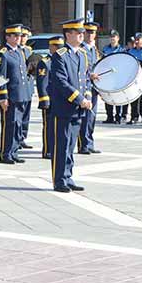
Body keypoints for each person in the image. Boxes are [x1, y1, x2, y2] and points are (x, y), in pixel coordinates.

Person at [48, 19, 95, 193]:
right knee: (61, 144)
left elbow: (86, 79)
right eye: (77, 32)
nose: (82, 34)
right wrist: (79, 99)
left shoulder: (82, 54)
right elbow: (61, 82)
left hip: (79, 108)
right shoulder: (60, 55)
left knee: (71, 145)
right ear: (68, 35)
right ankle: (59, 180)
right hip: (64, 107)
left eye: (82, 32)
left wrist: (87, 97)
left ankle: (68, 176)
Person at [0, 24, 28, 164]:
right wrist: (2, 97)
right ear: (7, 37)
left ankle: (14, 151)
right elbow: (0, 77)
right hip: (11, 96)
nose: (18, 38)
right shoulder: (3, 54)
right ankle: (5, 153)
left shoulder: (20, 52)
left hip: (21, 95)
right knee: (10, 125)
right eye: (15, 36)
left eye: (19, 36)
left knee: (18, 125)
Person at [77, 22, 101, 154]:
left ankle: (89, 143)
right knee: (85, 117)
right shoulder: (81, 49)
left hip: (94, 87)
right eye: (88, 32)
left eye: (93, 33)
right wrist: (89, 75)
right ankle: (83, 145)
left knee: (92, 117)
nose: (90, 35)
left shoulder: (94, 49)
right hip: (85, 86)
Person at [38, 36, 62, 159]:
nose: (59, 49)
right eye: (56, 47)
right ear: (51, 47)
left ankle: (56, 148)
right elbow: (42, 82)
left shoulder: (62, 60)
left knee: (58, 126)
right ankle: (47, 149)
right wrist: (44, 99)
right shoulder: (45, 62)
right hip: (50, 99)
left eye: (60, 47)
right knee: (49, 126)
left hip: (60, 99)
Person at [101, 30, 126, 124]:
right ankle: (109, 116)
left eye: (114, 36)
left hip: (118, 76)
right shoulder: (105, 49)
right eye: (111, 37)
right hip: (108, 76)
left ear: (118, 38)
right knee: (108, 96)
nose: (112, 38)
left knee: (118, 97)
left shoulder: (122, 50)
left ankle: (118, 117)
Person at [19, 26, 36, 149]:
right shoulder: (13, 50)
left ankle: (23, 137)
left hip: (28, 85)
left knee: (26, 115)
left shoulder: (29, 50)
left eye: (25, 36)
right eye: (21, 36)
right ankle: (16, 137)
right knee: (18, 116)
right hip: (19, 87)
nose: (23, 39)